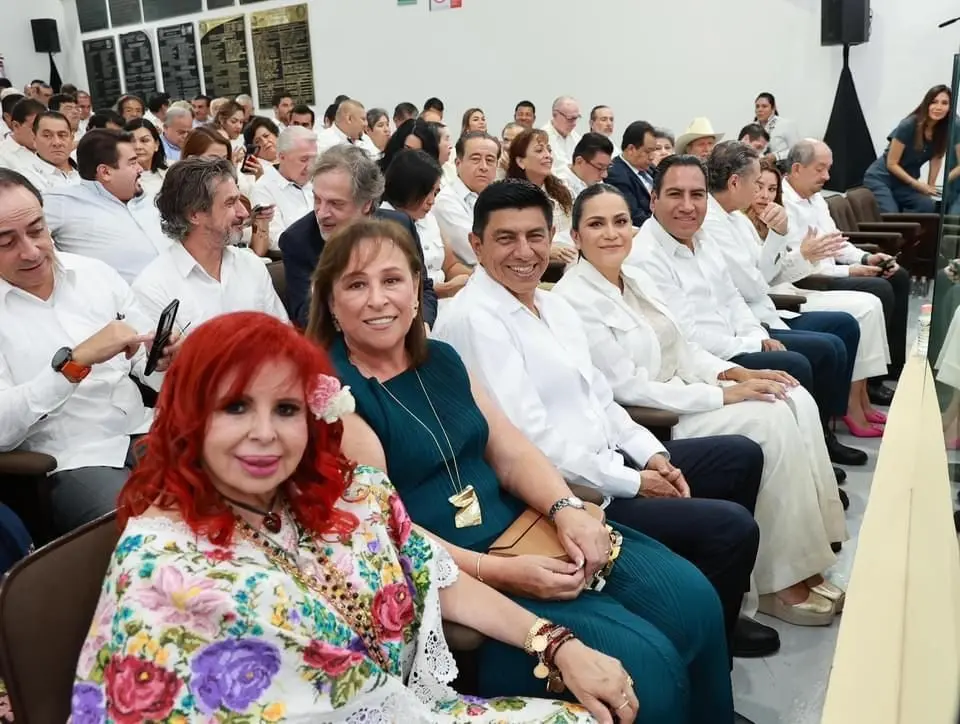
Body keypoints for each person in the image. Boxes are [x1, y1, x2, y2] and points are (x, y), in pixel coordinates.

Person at [72, 311, 627, 724]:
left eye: (286, 408)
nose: (265, 433)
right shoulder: (165, 569)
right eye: (235, 407)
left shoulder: (347, 497)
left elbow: (434, 575)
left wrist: (556, 645)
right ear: (190, 420)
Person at [310, 219, 744, 723]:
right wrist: (503, 572)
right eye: (356, 285)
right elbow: (390, 536)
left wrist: (566, 510)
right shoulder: (336, 399)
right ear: (333, 306)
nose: (378, 299)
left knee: (694, 603)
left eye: (392, 280)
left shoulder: (443, 360)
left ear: (415, 290)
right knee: (647, 673)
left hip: (529, 529)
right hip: (463, 573)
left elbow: (511, 452)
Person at [554, 182, 847, 625]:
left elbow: (683, 347)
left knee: (789, 396)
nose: (612, 233)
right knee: (769, 422)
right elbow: (627, 389)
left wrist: (736, 373)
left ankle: (806, 559)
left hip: (684, 391)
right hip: (657, 418)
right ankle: (776, 580)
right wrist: (720, 394)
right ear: (575, 237)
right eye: (596, 224)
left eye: (619, 222)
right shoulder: (572, 300)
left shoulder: (633, 279)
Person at [631, 154, 868, 468]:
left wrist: (756, 334)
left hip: (742, 334)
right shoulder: (649, 255)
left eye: (697, 195)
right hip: (712, 357)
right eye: (676, 194)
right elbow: (689, 337)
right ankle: (811, 455)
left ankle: (817, 452)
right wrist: (752, 344)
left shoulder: (704, 236)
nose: (688, 205)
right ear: (653, 199)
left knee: (834, 336)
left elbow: (734, 297)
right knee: (800, 363)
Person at [0, 168, 177, 533]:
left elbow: (147, 367)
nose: (31, 251)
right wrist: (73, 364)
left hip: (143, 428)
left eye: (36, 229)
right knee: (146, 532)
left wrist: (165, 358)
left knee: (233, 491)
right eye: (6, 242)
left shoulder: (94, 274)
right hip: (72, 458)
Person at [702, 141, 874, 443]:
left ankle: (828, 427)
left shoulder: (738, 219)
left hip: (763, 309)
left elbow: (770, 274)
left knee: (843, 328)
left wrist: (789, 248)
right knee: (824, 348)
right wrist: (778, 239)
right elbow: (756, 284)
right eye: (757, 184)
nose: (760, 192)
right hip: (749, 320)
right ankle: (818, 436)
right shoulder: (714, 223)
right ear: (734, 182)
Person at [747, 157, 892, 433]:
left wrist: (856, 259)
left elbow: (826, 245)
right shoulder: (743, 225)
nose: (764, 195)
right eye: (758, 187)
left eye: (770, 189)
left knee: (866, 306)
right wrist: (815, 259)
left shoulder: (782, 215)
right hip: (784, 299)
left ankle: (858, 401)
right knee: (861, 311)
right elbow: (765, 279)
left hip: (787, 292)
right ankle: (845, 410)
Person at [783, 139, 909, 400]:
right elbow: (800, 266)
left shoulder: (816, 198)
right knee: (879, 288)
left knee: (897, 275)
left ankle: (892, 368)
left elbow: (837, 242)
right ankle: (870, 382)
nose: (827, 176)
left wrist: (865, 258)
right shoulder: (783, 204)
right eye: (820, 169)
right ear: (797, 169)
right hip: (810, 281)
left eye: (828, 168)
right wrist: (850, 272)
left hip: (831, 271)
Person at [279, 144, 437, 328]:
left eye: (335, 204)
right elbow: (307, 315)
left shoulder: (400, 226)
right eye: (317, 199)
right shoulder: (297, 241)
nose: (321, 213)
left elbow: (423, 290)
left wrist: (422, 326)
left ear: (367, 204)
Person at [132, 157, 288, 334]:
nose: (244, 213)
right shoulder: (153, 287)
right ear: (194, 214)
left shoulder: (251, 264)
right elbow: (170, 361)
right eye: (230, 203)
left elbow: (283, 335)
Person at [43, 129, 169, 283]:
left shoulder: (145, 199)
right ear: (105, 172)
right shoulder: (62, 202)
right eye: (132, 162)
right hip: (122, 303)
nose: (140, 168)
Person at [382, 149, 472, 305]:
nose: (432, 201)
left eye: (435, 193)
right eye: (426, 193)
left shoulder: (428, 218)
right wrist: (445, 290)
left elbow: (450, 265)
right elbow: (393, 287)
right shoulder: (381, 225)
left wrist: (477, 279)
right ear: (407, 188)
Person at [862, 84, 951, 213]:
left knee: (927, 205)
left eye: (944, 103)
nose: (938, 107)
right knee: (891, 213)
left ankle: (909, 231)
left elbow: (937, 158)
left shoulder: (944, 130)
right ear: (926, 104)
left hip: (904, 183)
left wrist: (930, 187)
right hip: (882, 178)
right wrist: (918, 185)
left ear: (950, 107)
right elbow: (892, 164)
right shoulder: (908, 125)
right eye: (934, 102)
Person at [505, 129, 576, 259]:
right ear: (521, 162)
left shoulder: (564, 189)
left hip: (569, 254)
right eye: (539, 151)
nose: (548, 155)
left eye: (549, 150)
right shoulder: (509, 197)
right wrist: (546, 250)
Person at [433, 132, 499, 265]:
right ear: (458, 163)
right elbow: (476, 251)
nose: (483, 167)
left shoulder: (498, 198)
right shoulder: (445, 201)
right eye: (475, 159)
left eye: (490, 160)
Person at [251, 126, 318, 247]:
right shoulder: (264, 188)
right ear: (282, 157)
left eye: (314, 159)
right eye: (303, 159)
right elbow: (277, 240)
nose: (310, 166)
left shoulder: (316, 182)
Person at [606, 120, 657, 227]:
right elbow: (635, 216)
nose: (652, 157)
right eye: (647, 152)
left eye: (654, 151)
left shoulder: (650, 167)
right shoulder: (616, 175)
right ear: (631, 149)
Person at [19, 111, 79, 191]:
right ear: (34, 139)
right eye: (47, 136)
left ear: (71, 138)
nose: (57, 142)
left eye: (62, 135)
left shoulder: (89, 171)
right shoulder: (25, 178)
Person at [555, 132, 615, 199]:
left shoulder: (595, 182)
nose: (605, 175)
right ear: (579, 161)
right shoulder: (560, 186)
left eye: (607, 167)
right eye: (600, 168)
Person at [123, 118, 167, 199]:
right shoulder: (120, 178)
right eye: (131, 141)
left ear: (156, 144)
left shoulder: (171, 171)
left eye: (144, 140)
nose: (138, 147)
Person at [753, 92, 800, 162]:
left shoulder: (786, 124)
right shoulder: (752, 127)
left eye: (764, 106)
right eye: (757, 106)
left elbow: (797, 151)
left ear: (773, 108)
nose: (760, 110)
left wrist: (777, 156)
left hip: (782, 167)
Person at [0, 98, 43, 170]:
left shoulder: (49, 149)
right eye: (34, 127)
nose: (40, 133)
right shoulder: (2, 154)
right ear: (16, 126)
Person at [543, 96, 582, 172]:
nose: (574, 124)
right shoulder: (542, 138)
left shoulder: (577, 138)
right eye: (570, 119)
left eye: (576, 118)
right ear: (555, 114)